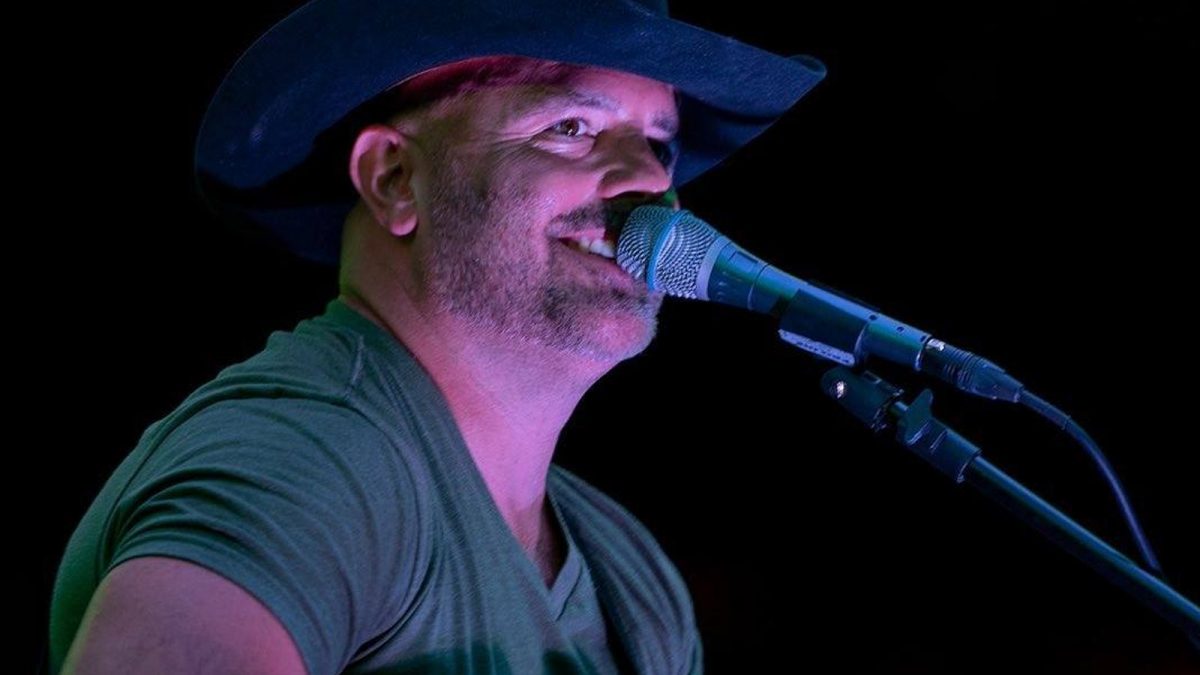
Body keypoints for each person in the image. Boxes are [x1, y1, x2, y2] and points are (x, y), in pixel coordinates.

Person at [48, 0, 824, 673]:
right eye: (571, 127)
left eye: (658, 144)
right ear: (394, 178)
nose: (649, 181)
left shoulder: (633, 573)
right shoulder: (304, 460)